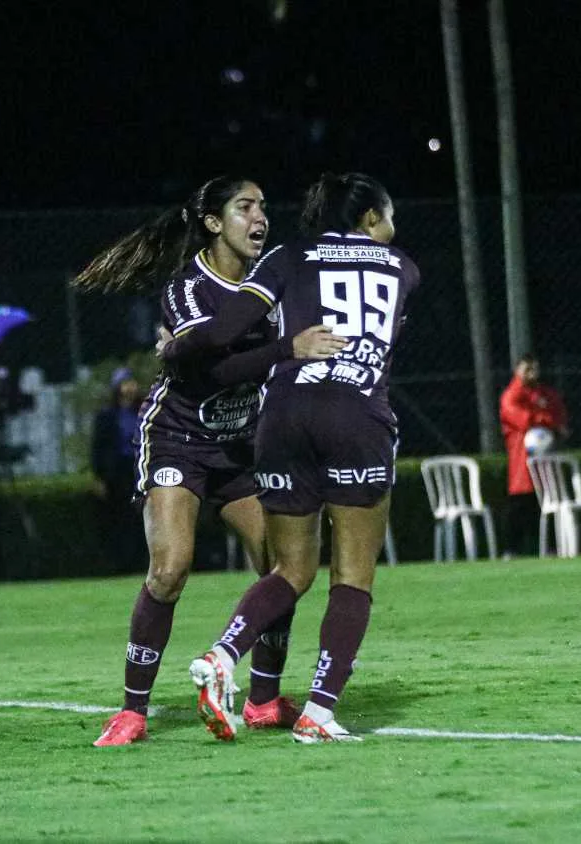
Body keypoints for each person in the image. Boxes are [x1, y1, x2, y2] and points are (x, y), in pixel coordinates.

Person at [71, 176, 347, 746]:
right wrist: (286, 348)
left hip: (243, 447)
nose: (260, 217)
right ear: (214, 223)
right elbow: (212, 369)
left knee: (282, 569)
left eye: (264, 206)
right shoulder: (189, 287)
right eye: (245, 207)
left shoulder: (272, 279)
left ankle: (263, 700)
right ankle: (133, 710)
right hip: (179, 438)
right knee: (171, 569)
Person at [160, 172, 419, 744]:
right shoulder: (401, 266)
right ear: (371, 219)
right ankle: (319, 713)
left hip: (283, 416)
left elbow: (221, 332)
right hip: (356, 416)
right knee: (352, 574)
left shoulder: (287, 257)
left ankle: (223, 654)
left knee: (291, 569)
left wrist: (175, 346)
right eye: (389, 217)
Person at [498, 355, 569, 558]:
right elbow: (523, 419)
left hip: (546, 460)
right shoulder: (511, 395)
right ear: (517, 371)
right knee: (520, 503)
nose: (532, 374)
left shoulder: (546, 394)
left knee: (547, 502)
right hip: (522, 460)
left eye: (534, 369)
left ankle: (551, 547)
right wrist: (545, 419)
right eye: (527, 369)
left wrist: (555, 424)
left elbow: (559, 416)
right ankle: (511, 549)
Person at [90, 367, 147, 573]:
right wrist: (99, 477)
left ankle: (140, 562)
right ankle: (119, 564)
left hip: (139, 470)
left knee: (140, 518)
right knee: (118, 518)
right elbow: (98, 448)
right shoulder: (107, 416)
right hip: (117, 473)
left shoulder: (143, 412)